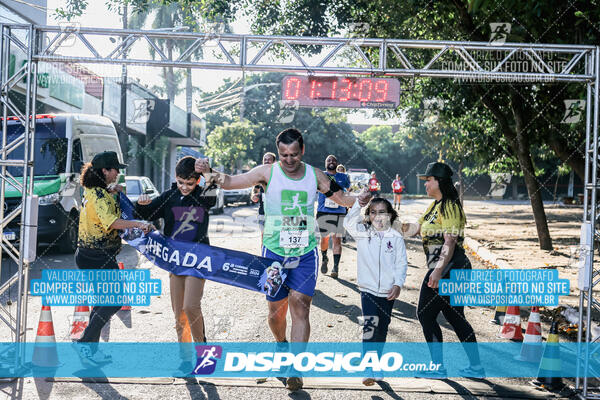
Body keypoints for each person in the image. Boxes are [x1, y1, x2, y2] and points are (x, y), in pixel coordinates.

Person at [195, 128, 366, 391]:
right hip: (274, 253)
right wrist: (207, 171)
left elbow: (341, 198)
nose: (288, 159)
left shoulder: (315, 175)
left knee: (301, 307)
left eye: (294, 154)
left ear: (303, 151)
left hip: (305, 252)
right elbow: (229, 181)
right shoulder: (267, 172)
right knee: (276, 313)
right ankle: (280, 343)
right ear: (278, 153)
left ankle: (295, 368)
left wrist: (361, 200)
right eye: (284, 154)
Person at [401, 162, 484, 378]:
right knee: (454, 316)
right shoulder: (434, 206)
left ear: (439, 181)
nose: (426, 184)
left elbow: (450, 241)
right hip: (447, 266)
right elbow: (413, 229)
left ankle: (438, 367)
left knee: (425, 313)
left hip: (450, 266)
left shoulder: (450, 206)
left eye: (428, 180)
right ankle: (476, 367)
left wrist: (437, 272)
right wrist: (382, 219)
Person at [135, 156, 216, 374]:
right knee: (179, 313)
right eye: (181, 182)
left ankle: (204, 352)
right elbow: (144, 213)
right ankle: (185, 360)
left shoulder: (202, 196)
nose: (185, 187)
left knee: (191, 307)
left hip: (198, 259)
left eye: (190, 183)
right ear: (176, 178)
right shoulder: (169, 197)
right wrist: (140, 203)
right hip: (175, 262)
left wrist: (208, 170)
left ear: (197, 181)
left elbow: (214, 193)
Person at [74, 151, 154, 367]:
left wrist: (114, 190)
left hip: (91, 255)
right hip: (96, 256)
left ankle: (90, 350)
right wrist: (138, 223)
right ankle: (84, 343)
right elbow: (111, 222)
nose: (118, 172)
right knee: (115, 300)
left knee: (102, 302)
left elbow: (104, 205)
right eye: (115, 169)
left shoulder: (95, 190)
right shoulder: (98, 195)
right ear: (105, 171)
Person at [343, 196, 407, 386]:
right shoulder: (363, 232)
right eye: (373, 212)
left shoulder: (395, 237)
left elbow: (401, 263)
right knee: (370, 326)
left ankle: (376, 363)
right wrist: (358, 204)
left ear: (390, 215)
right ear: (369, 215)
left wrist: (398, 284)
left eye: (382, 212)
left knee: (383, 328)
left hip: (388, 292)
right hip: (368, 290)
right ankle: (368, 367)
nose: (378, 216)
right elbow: (347, 222)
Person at [316, 155, 351, 278]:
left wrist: (350, 202)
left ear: (337, 163)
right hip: (323, 211)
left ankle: (335, 267)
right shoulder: (320, 175)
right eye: (329, 160)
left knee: (337, 240)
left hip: (339, 211)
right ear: (325, 163)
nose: (331, 162)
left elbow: (349, 190)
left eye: (333, 160)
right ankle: (325, 257)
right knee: (325, 238)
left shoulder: (343, 177)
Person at [251, 152, 276, 241]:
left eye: (269, 159)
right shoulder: (259, 176)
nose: (266, 161)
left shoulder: (278, 176)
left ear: (274, 162)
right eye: (265, 160)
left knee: (275, 238)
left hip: (276, 213)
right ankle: (264, 254)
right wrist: (255, 196)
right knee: (264, 236)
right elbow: (255, 191)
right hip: (263, 212)